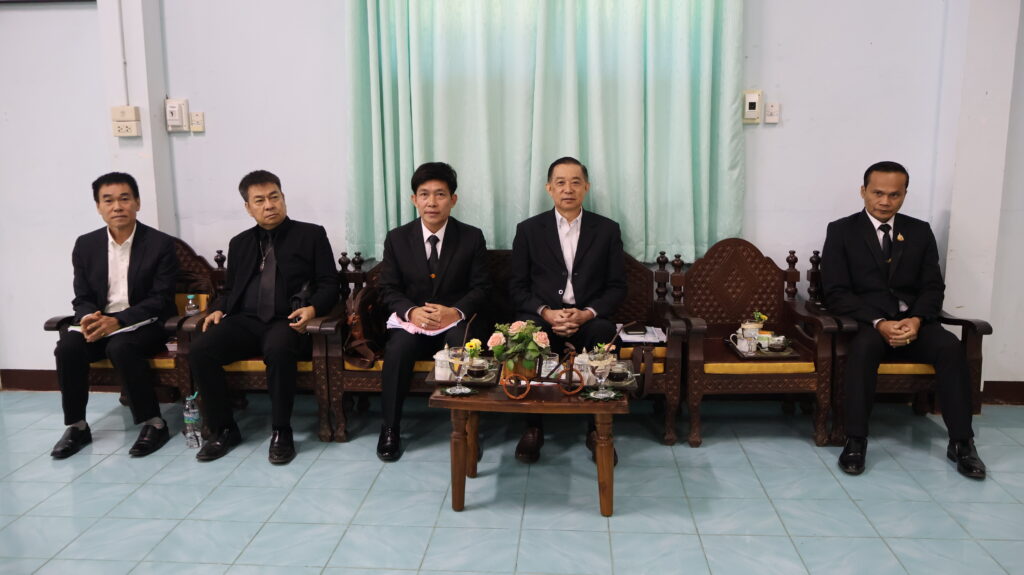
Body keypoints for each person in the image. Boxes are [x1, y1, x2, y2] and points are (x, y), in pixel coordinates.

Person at [821, 160, 986, 479]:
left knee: (950, 348)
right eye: (878, 193)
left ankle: (962, 443)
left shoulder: (919, 231)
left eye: (894, 195)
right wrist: (879, 322)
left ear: (905, 195)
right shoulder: (841, 231)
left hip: (915, 324)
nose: (885, 201)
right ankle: (855, 441)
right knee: (862, 350)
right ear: (863, 191)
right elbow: (836, 292)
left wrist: (918, 319)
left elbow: (933, 286)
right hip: (869, 325)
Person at [189, 170, 337, 465]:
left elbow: (330, 284)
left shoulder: (311, 235)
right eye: (260, 200)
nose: (269, 205)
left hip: (287, 320)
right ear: (248, 207)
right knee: (201, 349)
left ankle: (281, 431)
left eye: (274, 197)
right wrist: (218, 307)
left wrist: (312, 309)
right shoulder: (240, 243)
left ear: (283, 198)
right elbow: (231, 289)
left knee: (279, 349)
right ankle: (224, 429)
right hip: (245, 320)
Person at [51, 172, 179, 459]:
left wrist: (119, 320)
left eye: (124, 199)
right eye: (108, 200)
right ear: (98, 206)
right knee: (68, 346)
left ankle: (154, 423)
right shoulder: (86, 245)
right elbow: (82, 296)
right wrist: (88, 318)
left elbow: (160, 298)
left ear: (137, 203)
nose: (117, 207)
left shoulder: (159, 244)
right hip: (101, 322)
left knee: (121, 346)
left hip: (146, 323)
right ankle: (77, 426)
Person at [508, 156, 626, 463]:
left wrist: (586, 313)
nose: (568, 189)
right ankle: (533, 426)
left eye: (576, 182)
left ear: (586, 187)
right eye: (560, 183)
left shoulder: (607, 230)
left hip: (587, 317)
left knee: (603, 333)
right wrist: (546, 312)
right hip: (543, 316)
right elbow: (516, 287)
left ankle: (597, 428)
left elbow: (617, 287)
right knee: (527, 334)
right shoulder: (529, 230)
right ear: (549, 188)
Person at [376, 162, 491, 461]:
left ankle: (469, 429)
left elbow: (482, 288)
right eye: (424, 194)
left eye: (440, 194)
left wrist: (456, 311)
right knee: (398, 349)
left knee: (463, 347)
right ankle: (390, 428)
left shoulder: (471, 237)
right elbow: (388, 288)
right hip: (413, 324)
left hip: (454, 322)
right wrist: (411, 312)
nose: (432, 202)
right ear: (414, 199)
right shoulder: (397, 238)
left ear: (453, 199)